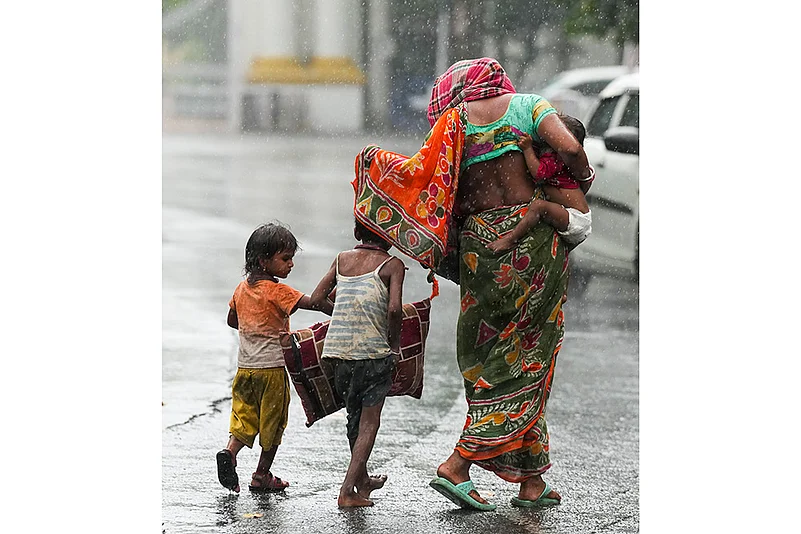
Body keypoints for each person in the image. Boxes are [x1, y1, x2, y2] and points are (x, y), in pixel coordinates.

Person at [353, 57, 594, 511]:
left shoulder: (453, 124)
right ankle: (458, 463)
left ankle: (532, 480)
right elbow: (570, 147)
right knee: (527, 356)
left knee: (494, 353)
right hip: (529, 246)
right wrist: (582, 178)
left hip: (478, 248)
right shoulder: (528, 107)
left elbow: (434, 184)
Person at [216, 222, 333, 493]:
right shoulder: (279, 291)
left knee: (245, 417)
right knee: (273, 423)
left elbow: (232, 320)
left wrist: (254, 324)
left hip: (245, 369)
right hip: (272, 371)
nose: (291, 264)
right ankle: (261, 475)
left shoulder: (241, 289)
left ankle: (230, 453)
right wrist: (338, 298)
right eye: (285, 258)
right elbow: (315, 303)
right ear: (263, 261)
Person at [309, 220, 406, 508]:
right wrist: (394, 345)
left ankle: (362, 480)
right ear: (390, 237)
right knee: (369, 423)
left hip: (337, 353)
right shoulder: (393, 265)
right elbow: (394, 309)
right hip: (372, 353)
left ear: (356, 233)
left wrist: (342, 315)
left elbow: (317, 299)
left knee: (354, 416)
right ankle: (347, 490)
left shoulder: (342, 259)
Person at [487, 113, 592, 253]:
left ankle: (510, 240)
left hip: (576, 218)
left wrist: (527, 149)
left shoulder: (558, 158)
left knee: (539, 207)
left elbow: (538, 173)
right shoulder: (550, 153)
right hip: (569, 214)